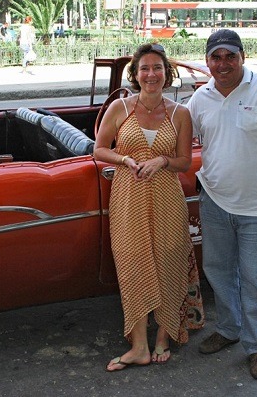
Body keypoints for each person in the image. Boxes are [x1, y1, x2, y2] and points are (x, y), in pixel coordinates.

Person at [186, 29, 257, 380]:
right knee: (218, 271)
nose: (222, 64)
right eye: (215, 57)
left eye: (229, 56)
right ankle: (230, 329)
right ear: (207, 61)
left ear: (242, 57)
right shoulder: (200, 99)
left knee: (256, 280)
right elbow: (175, 137)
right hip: (215, 201)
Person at [94, 43, 204, 372]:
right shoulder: (120, 108)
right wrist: (125, 158)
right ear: (136, 74)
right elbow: (100, 150)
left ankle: (164, 337)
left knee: (168, 264)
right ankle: (139, 345)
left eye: (157, 68)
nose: (151, 74)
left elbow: (185, 162)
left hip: (167, 198)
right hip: (128, 196)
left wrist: (163, 160)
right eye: (144, 68)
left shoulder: (179, 113)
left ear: (166, 74)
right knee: (132, 267)